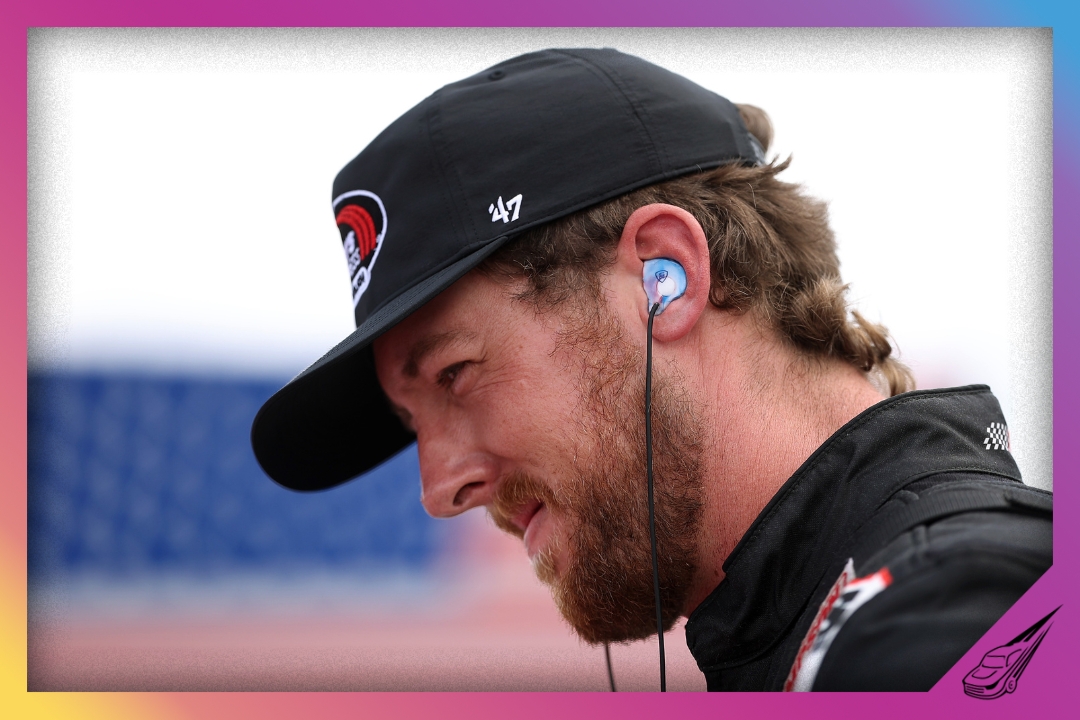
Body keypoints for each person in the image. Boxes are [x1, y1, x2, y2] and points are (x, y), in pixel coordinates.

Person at [250, 48, 1052, 691]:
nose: (439, 489)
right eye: (413, 424)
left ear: (663, 278)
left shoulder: (939, 621)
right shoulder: (833, 622)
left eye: (457, 372)